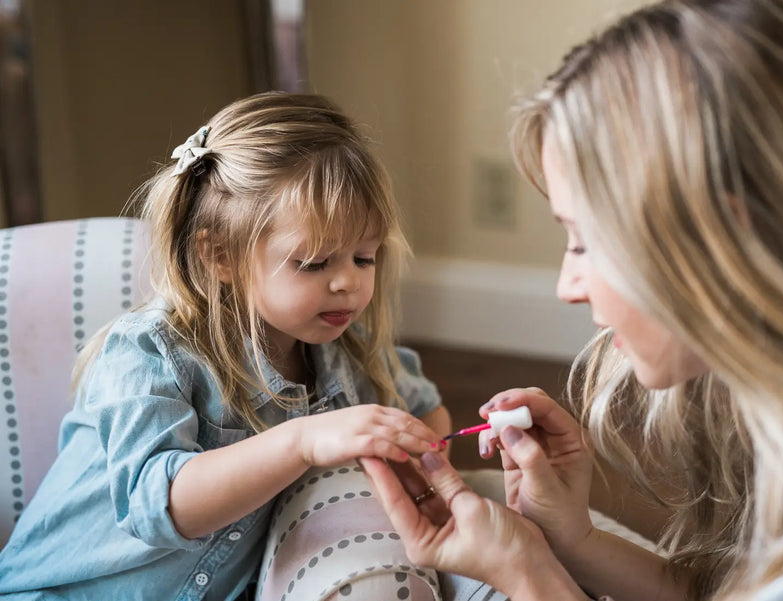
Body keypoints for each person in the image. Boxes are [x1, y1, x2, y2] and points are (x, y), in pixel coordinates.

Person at [361, 1, 783, 600]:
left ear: (720, 239)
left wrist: (527, 574)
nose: (566, 285)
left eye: (586, 242)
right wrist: (572, 540)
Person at [0, 92, 452, 599]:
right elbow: (162, 506)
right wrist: (302, 441)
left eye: (364, 258)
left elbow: (426, 413)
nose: (347, 282)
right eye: (314, 263)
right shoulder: (151, 352)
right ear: (220, 256)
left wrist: (422, 456)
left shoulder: (349, 351)